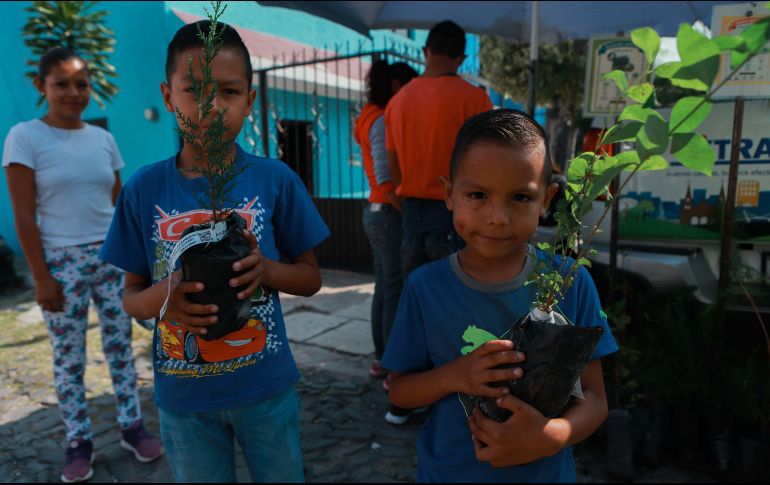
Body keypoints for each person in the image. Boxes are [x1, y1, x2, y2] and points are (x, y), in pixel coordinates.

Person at [98, 20, 329, 483]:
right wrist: (167, 298)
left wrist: (267, 271)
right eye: (194, 90)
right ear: (168, 97)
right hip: (185, 403)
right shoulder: (144, 189)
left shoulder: (276, 179)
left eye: (227, 91)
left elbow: (311, 278)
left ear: (250, 100)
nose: (210, 106)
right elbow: (130, 297)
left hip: (266, 389)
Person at [381, 109, 618, 482]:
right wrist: (455, 376)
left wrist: (550, 437)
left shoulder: (571, 282)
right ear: (449, 194)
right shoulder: (424, 288)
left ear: (547, 200)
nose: (497, 217)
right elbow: (400, 390)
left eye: (520, 197)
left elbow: (596, 400)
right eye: (478, 194)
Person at [2, 47, 163, 483]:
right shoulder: (24, 136)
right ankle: (78, 440)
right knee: (69, 358)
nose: (73, 93)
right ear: (41, 86)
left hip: (112, 258)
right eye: (61, 83)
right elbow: (22, 214)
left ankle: (132, 425)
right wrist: (41, 277)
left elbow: (118, 202)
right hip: (61, 263)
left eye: (82, 84)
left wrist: (142, 260)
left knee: (121, 347)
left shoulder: (102, 139)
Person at [385, 20, 493, 280]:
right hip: (455, 212)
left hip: (410, 212)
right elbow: (488, 163)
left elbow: (393, 165)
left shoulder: (397, 102)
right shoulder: (476, 99)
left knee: (416, 295)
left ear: (426, 52)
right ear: (461, 58)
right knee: (453, 296)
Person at [353, 60, 417, 386]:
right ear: (395, 87)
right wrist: (408, 211)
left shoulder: (368, 116)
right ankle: (391, 364)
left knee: (385, 286)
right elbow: (385, 177)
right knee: (393, 289)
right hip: (387, 213)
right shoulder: (380, 120)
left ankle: (381, 360)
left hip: (375, 211)